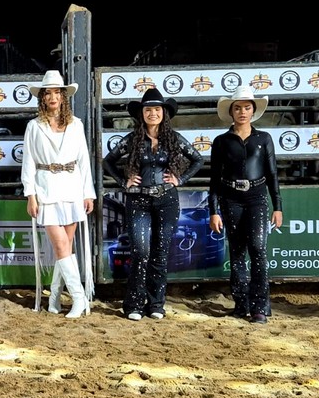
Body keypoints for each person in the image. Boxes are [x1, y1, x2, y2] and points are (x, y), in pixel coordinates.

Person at [103, 87, 204, 321]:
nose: (153, 113)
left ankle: (156, 304)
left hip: (167, 200)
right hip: (138, 200)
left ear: (163, 112)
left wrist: (180, 179)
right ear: (142, 113)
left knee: (160, 252)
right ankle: (134, 305)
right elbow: (108, 161)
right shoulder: (132, 139)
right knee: (140, 252)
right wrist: (124, 182)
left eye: (157, 109)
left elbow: (197, 159)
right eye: (148, 110)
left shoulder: (173, 138)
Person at [21, 70, 96, 318]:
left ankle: (54, 296)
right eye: (48, 93)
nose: (53, 97)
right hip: (46, 190)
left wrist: (88, 193)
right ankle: (79, 298)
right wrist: (30, 194)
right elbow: (29, 163)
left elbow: (84, 161)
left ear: (63, 96)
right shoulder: (34, 126)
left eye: (57, 92)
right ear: (42, 98)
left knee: (65, 247)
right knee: (61, 244)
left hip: (72, 188)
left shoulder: (76, 124)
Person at [208, 86, 282, 324]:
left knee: (258, 249)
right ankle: (241, 304)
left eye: (247, 107)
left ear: (253, 111)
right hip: (230, 199)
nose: (242, 112)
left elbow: (272, 174)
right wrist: (213, 211)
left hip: (257, 198)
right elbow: (214, 179)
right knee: (237, 252)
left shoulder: (264, 139)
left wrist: (278, 206)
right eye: (238, 108)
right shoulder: (221, 141)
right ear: (231, 111)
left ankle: (260, 307)